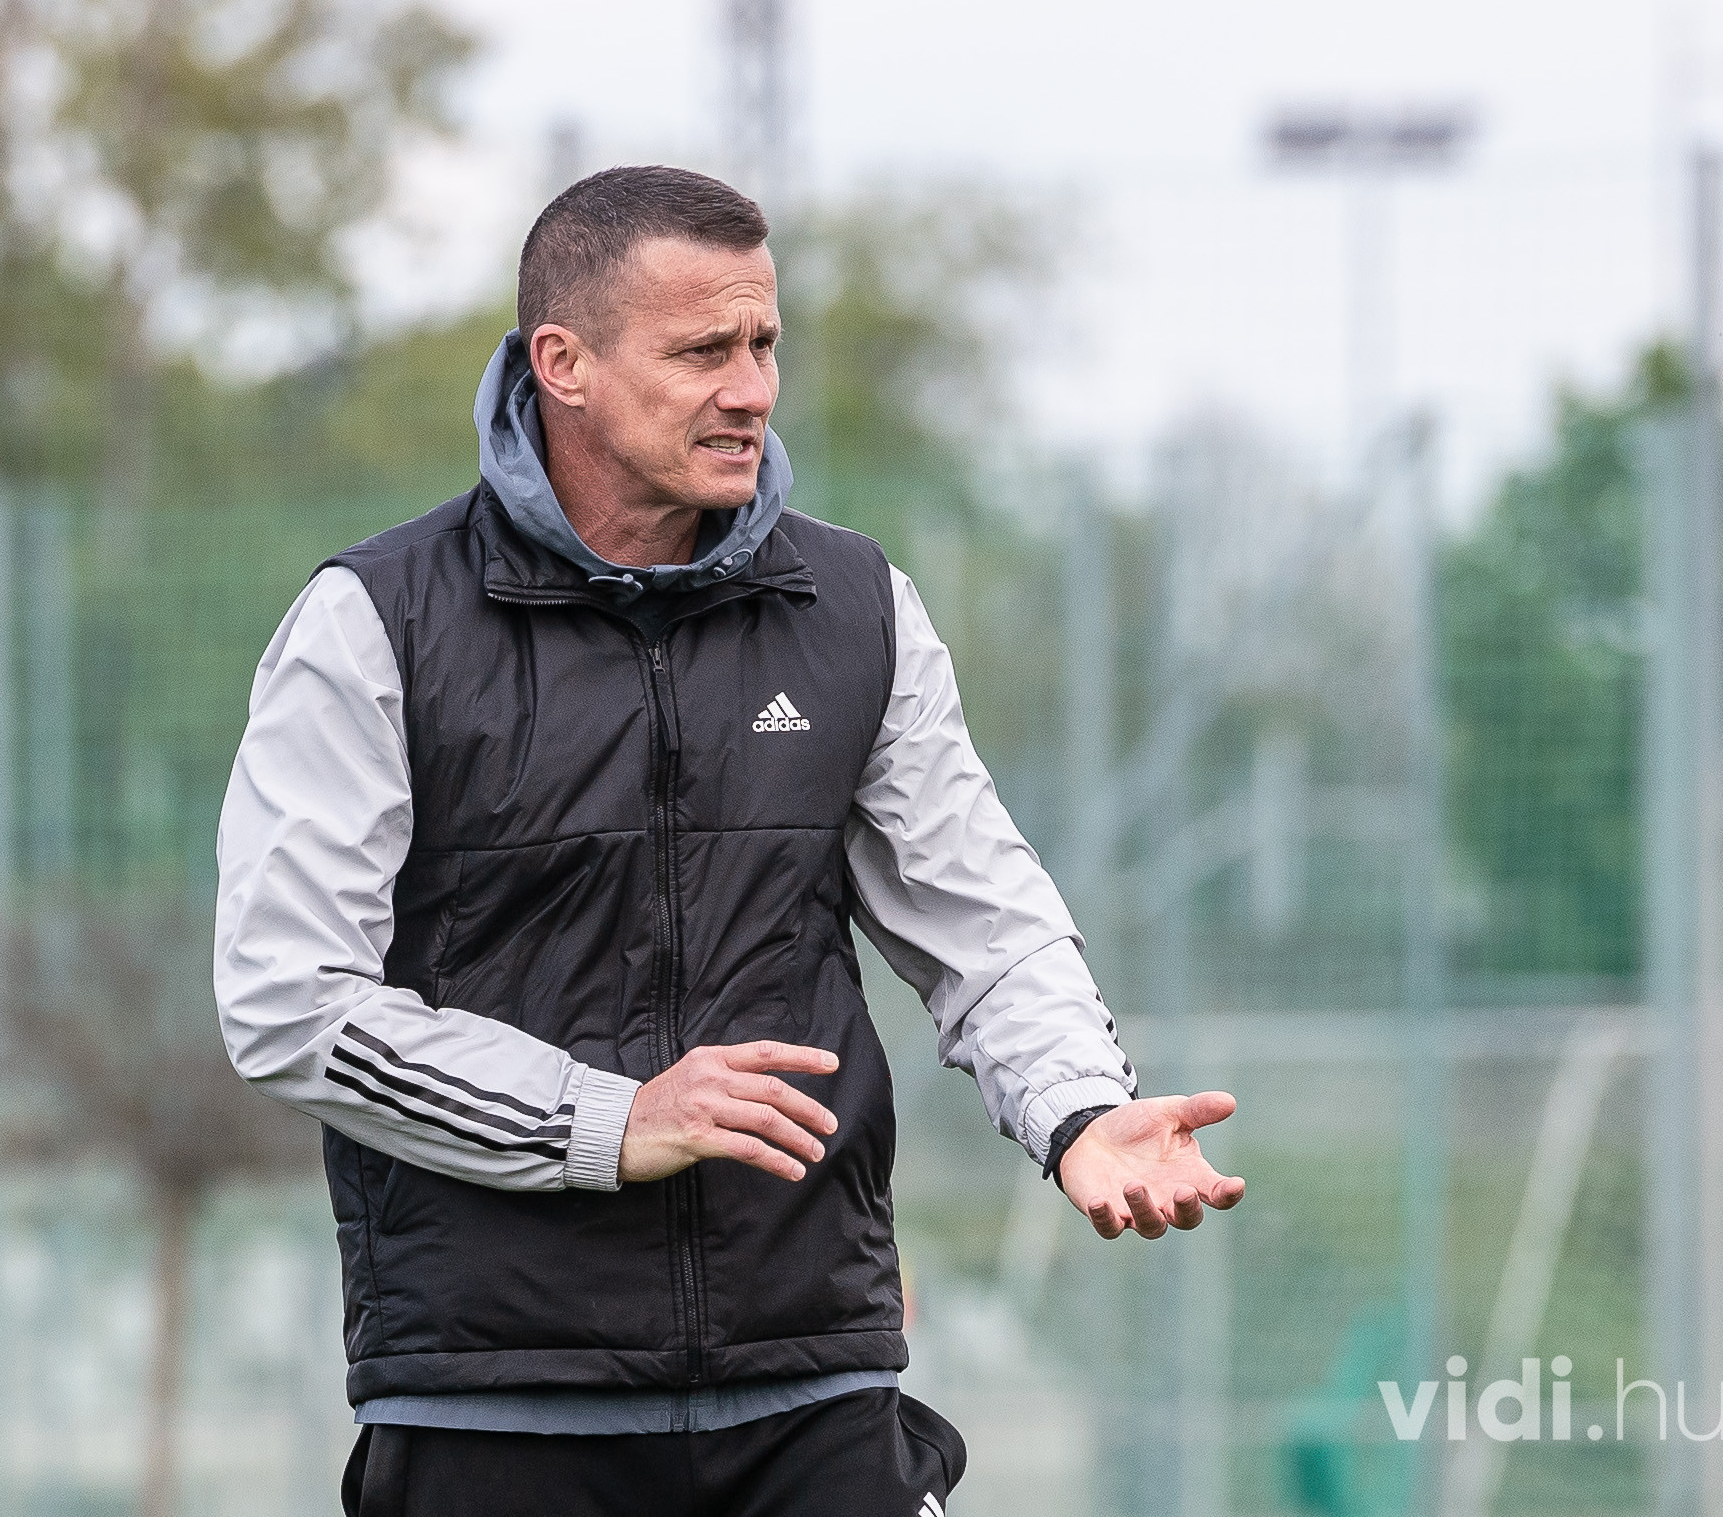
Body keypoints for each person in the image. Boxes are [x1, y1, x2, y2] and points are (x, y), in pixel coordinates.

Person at [213, 165, 1244, 1517]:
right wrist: (609, 1121)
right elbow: (289, 1003)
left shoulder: (856, 607)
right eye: (703, 352)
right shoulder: (374, 623)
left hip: (811, 1385)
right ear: (564, 365)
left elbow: (983, 921)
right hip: (495, 1399)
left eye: (763, 344)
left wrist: (1079, 1111)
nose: (751, 390)